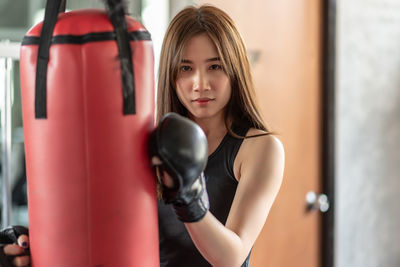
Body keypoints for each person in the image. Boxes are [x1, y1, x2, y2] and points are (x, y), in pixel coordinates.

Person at [1, 4, 284, 267]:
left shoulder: (259, 148)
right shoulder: (149, 142)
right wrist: (36, 243)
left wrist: (188, 198)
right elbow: (110, 223)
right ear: (171, 75)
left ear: (235, 69)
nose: (200, 84)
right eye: (186, 68)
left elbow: (232, 257)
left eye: (215, 66)